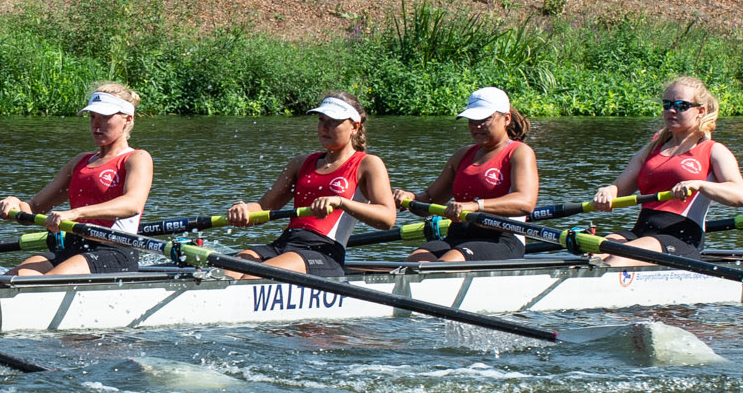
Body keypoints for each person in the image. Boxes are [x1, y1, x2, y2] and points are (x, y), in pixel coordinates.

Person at [222, 93, 398, 278]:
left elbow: (387, 218)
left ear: (354, 127)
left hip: (323, 252)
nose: (325, 127)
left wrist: (340, 202)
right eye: (322, 120)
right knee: (225, 272)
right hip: (285, 243)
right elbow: (263, 207)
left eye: (333, 121)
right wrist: (242, 209)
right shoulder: (300, 163)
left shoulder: (367, 164)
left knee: (252, 277)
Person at [0, 83, 153, 276]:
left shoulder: (136, 158)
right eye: (93, 117)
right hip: (71, 248)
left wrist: (75, 213)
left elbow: (133, 204)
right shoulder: (80, 162)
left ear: (127, 119)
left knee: (46, 282)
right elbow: (34, 208)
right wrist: (14, 203)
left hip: (113, 251)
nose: (96, 124)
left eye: (105, 117)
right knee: (15, 277)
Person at [587, 75, 743, 261]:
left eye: (681, 106)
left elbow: (740, 196)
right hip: (642, 232)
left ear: (701, 111)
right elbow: (619, 188)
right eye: (667, 104)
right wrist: (607, 191)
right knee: (593, 253)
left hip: (681, 238)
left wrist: (699, 185)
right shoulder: (651, 149)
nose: (671, 110)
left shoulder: (713, 151)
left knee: (618, 258)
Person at [406, 87, 537, 262]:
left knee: (444, 265)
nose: (477, 126)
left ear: (506, 119)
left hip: (502, 239)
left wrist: (475, 206)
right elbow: (429, 199)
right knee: (412, 262)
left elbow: (525, 203)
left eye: (485, 119)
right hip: (457, 236)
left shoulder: (519, 152)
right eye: (472, 120)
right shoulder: (462, 155)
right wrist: (410, 199)